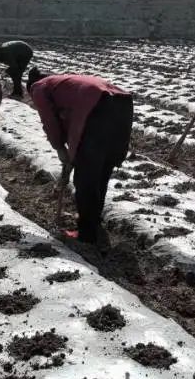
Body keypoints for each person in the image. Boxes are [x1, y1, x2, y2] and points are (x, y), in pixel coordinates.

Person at [27, 67, 132, 248]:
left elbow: (50, 121)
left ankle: (86, 233)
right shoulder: (64, 83)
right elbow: (66, 120)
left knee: (85, 179)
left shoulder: (38, 87)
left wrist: (60, 148)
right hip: (122, 105)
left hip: (97, 109)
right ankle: (93, 220)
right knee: (101, 172)